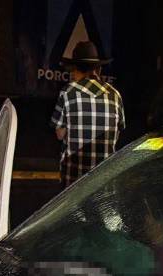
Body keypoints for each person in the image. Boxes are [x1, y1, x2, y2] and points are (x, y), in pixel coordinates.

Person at [50, 41, 125, 187]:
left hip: (73, 185)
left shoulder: (68, 92)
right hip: (104, 183)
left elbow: (59, 134)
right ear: (98, 69)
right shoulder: (115, 94)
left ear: (75, 69)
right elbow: (116, 134)